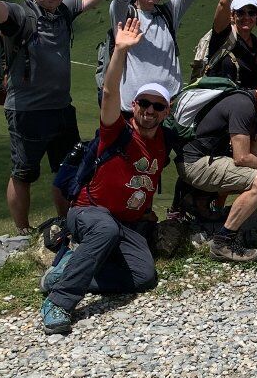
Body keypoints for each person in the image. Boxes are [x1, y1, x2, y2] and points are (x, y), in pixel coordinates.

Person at [38, 18, 166, 334]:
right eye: (144, 103)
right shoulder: (117, 131)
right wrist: (120, 50)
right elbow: (109, 92)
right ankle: (59, 300)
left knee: (144, 276)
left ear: (167, 111)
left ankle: (67, 270)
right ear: (134, 105)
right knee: (105, 228)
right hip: (88, 212)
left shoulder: (163, 141)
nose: (150, 110)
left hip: (123, 225)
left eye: (158, 106)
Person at [0, 0, 106, 233]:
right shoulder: (18, 16)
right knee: (23, 173)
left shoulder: (65, 10)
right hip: (27, 111)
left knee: (68, 168)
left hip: (61, 109)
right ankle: (23, 231)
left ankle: (67, 224)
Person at [176, 68, 257, 263]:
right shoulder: (243, 105)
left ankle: (199, 201)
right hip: (195, 163)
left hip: (207, 159)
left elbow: (254, 150)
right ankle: (222, 243)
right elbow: (241, 157)